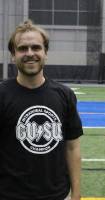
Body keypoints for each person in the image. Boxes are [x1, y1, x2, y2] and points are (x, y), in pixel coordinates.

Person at [0, 19, 83, 200]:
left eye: (36, 47)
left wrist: (76, 193)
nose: (30, 53)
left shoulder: (65, 95)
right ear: (13, 55)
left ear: (45, 53)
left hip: (57, 195)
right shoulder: (2, 95)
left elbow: (72, 148)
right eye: (22, 48)